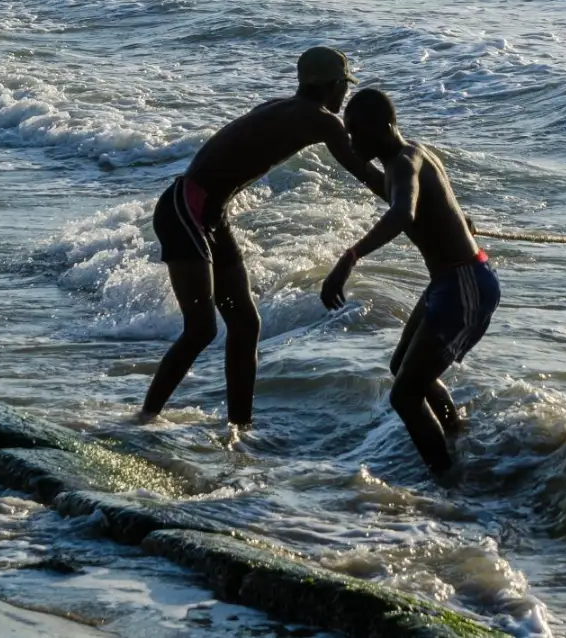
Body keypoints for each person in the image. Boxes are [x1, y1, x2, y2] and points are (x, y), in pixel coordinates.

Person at [140, 48, 388, 428]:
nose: (344, 95)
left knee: (245, 324)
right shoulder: (322, 121)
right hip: (185, 211)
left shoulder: (283, 106)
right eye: (344, 86)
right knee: (201, 328)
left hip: (203, 212)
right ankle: (145, 416)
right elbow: (366, 174)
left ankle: (240, 427)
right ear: (332, 86)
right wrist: (424, 204)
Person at [321, 88, 498, 478]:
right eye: (347, 133)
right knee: (402, 365)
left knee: (405, 394)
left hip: (464, 284)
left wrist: (349, 257)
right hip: (451, 282)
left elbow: (403, 211)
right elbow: (388, 188)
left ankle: (448, 482)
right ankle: (456, 435)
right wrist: (336, 146)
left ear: (383, 127)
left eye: (356, 132)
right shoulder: (410, 156)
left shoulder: (404, 162)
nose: (352, 140)